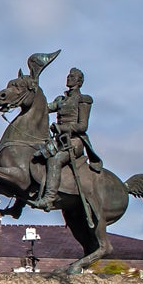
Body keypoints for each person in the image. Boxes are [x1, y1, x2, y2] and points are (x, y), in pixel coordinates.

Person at [38, 67, 101, 211]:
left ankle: (49, 198)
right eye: (68, 76)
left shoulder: (83, 99)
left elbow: (82, 126)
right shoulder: (61, 100)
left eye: (72, 76)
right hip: (58, 141)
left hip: (74, 142)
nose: (69, 78)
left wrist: (62, 128)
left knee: (55, 160)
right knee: (35, 156)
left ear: (79, 81)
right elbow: (43, 108)